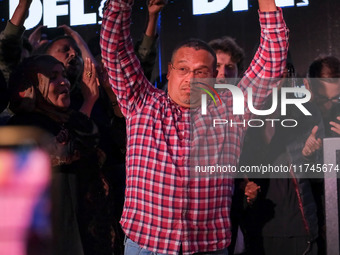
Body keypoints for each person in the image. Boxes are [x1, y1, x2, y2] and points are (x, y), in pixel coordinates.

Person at [100, 0, 288, 254]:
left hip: (207, 246)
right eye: (183, 69)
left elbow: (271, 61)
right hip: (146, 245)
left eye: (200, 72)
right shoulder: (141, 102)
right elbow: (115, 49)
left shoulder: (230, 109)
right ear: (169, 72)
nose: (190, 78)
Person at [7, 55, 112, 255]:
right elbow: (66, 150)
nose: (64, 81)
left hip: (85, 232)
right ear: (31, 88)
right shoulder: (24, 126)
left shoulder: (65, 118)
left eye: (64, 75)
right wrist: (89, 100)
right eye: (53, 77)